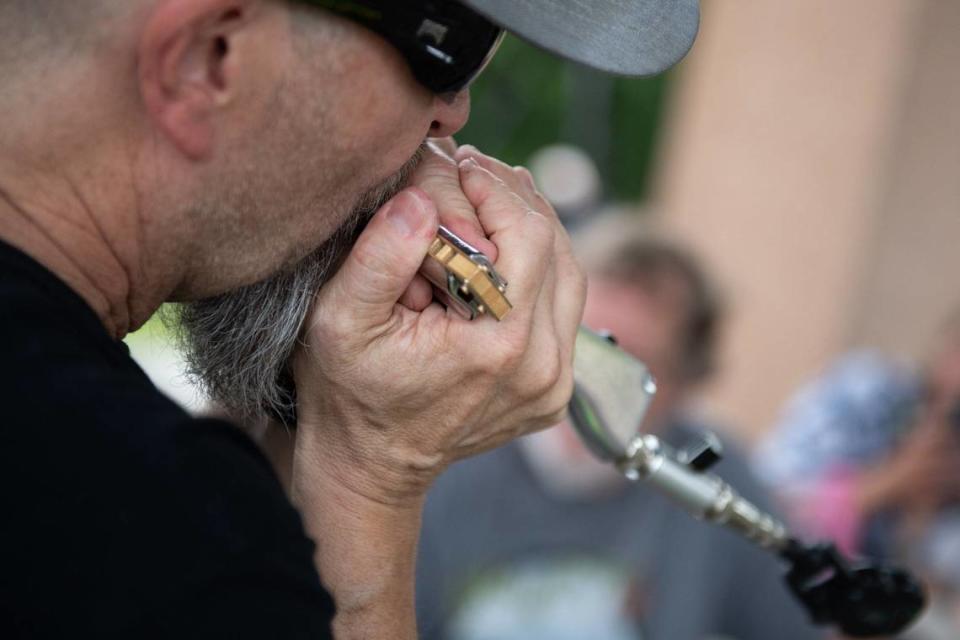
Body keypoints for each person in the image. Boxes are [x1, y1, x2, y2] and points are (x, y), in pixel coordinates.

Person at [0, 2, 701, 639]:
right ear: (207, 58)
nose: (452, 116)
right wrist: (372, 480)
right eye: (446, 50)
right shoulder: (162, 539)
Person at [415, 215, 822, 640]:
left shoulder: (720, 488)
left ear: (685, 381)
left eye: (633, 363)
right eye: (586, 344)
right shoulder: (449, 457)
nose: (591, 382)